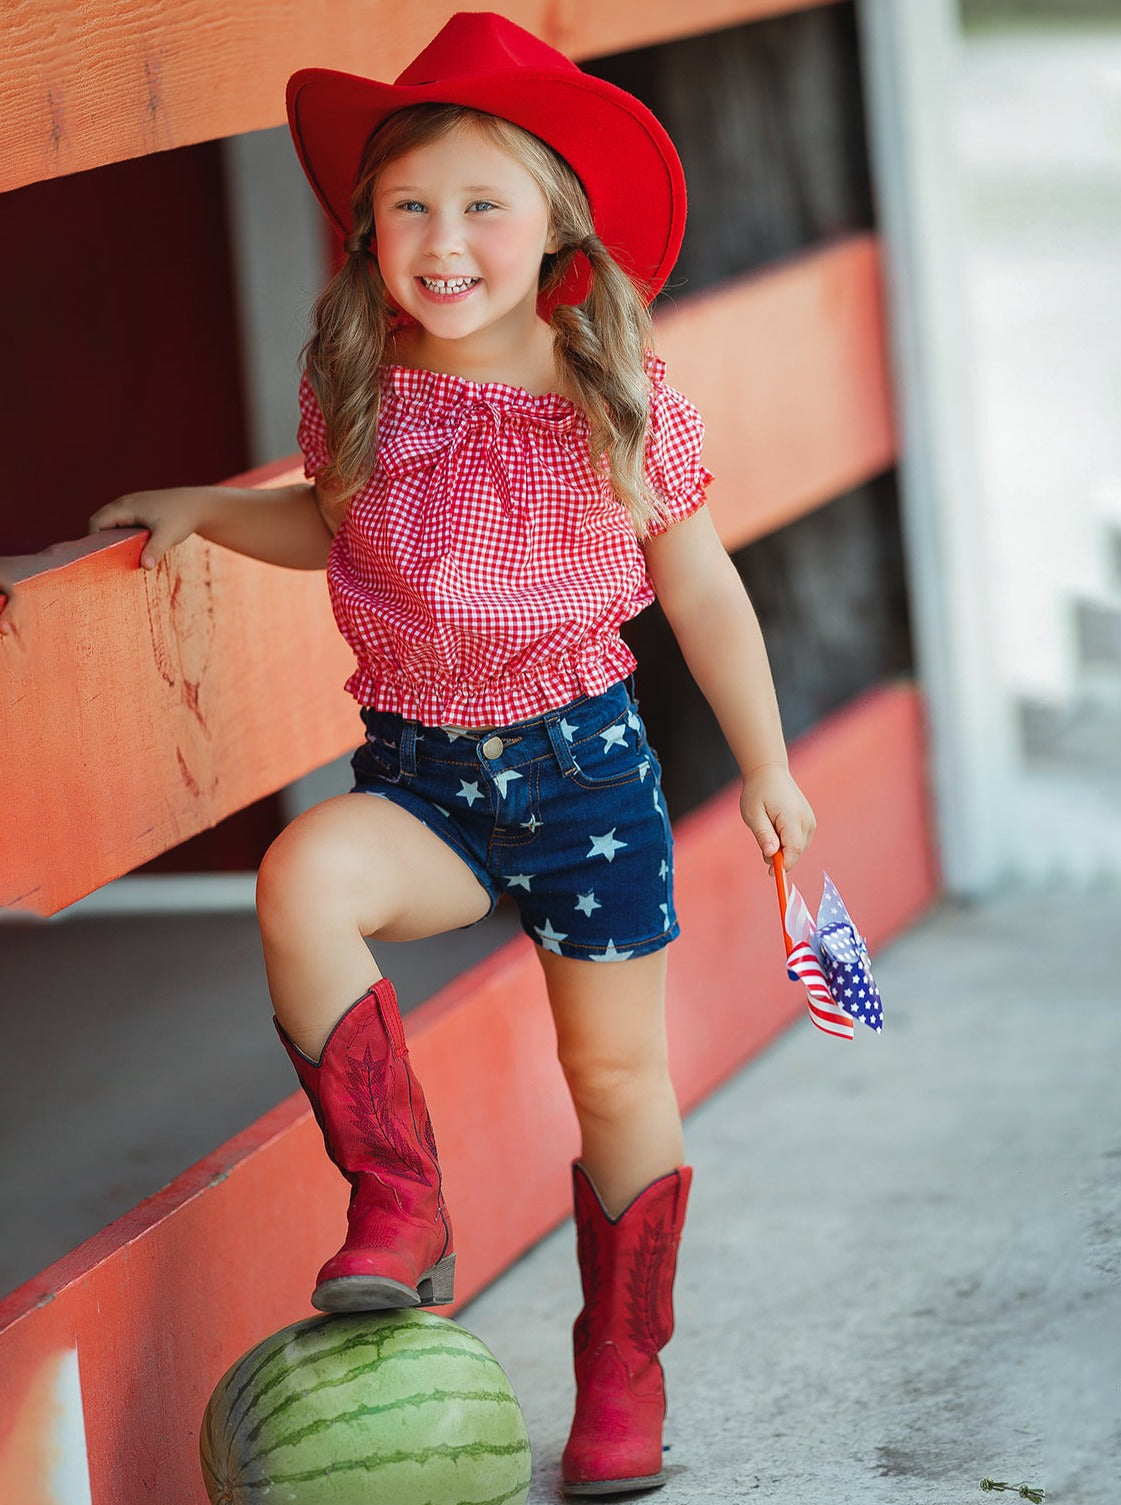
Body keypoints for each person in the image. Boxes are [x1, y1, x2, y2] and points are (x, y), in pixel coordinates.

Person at [0, 13, 815, 1495]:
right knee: (307, 874)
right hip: (429, 779)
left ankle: (621, 1373)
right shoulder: (360, 389)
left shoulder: (612, 396)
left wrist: (763, 765)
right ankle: (399, 1204)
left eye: (481, 205)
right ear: (369, 228)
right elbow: (331, 526)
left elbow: (699, 584)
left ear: (556, 220)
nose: (442, 241)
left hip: (580, 777)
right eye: (408, 208)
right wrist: (203, 504)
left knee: (614, 1071)